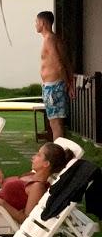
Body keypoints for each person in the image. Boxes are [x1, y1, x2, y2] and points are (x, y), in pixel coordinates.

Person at [37, 11, 72, 140]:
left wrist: (68, 84)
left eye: (36, 22)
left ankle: (58, 155)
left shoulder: (49, 39)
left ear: (42, 23)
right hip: (54, 85)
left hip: (53, 87)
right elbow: (67, 62)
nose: (35, 25)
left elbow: (59, 64)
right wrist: (70, 83)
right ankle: (59, 152)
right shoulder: (56, 38)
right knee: (56, 123)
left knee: (55, 124)